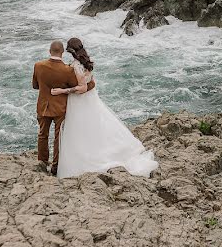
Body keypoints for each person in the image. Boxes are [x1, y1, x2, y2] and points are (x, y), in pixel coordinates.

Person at [52, 37, 158, 178]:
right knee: (94, 126)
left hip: (80, 101)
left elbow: (82, 88)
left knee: (81, 129)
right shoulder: (86, 62)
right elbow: (90, 82)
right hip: (91, 99)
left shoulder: (76, 66)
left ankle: (88, 157)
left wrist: (62, 91)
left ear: (70, 50)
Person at [31, 40, 94, 175]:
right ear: (62, 52)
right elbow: (77, 87)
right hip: (60, 107)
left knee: (42, 134)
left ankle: (42, 162)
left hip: (43, 106)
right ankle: (56, 166)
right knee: (58, 137)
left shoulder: (38, 66)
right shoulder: (68, 70)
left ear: (50, 51)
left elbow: (35, 86)